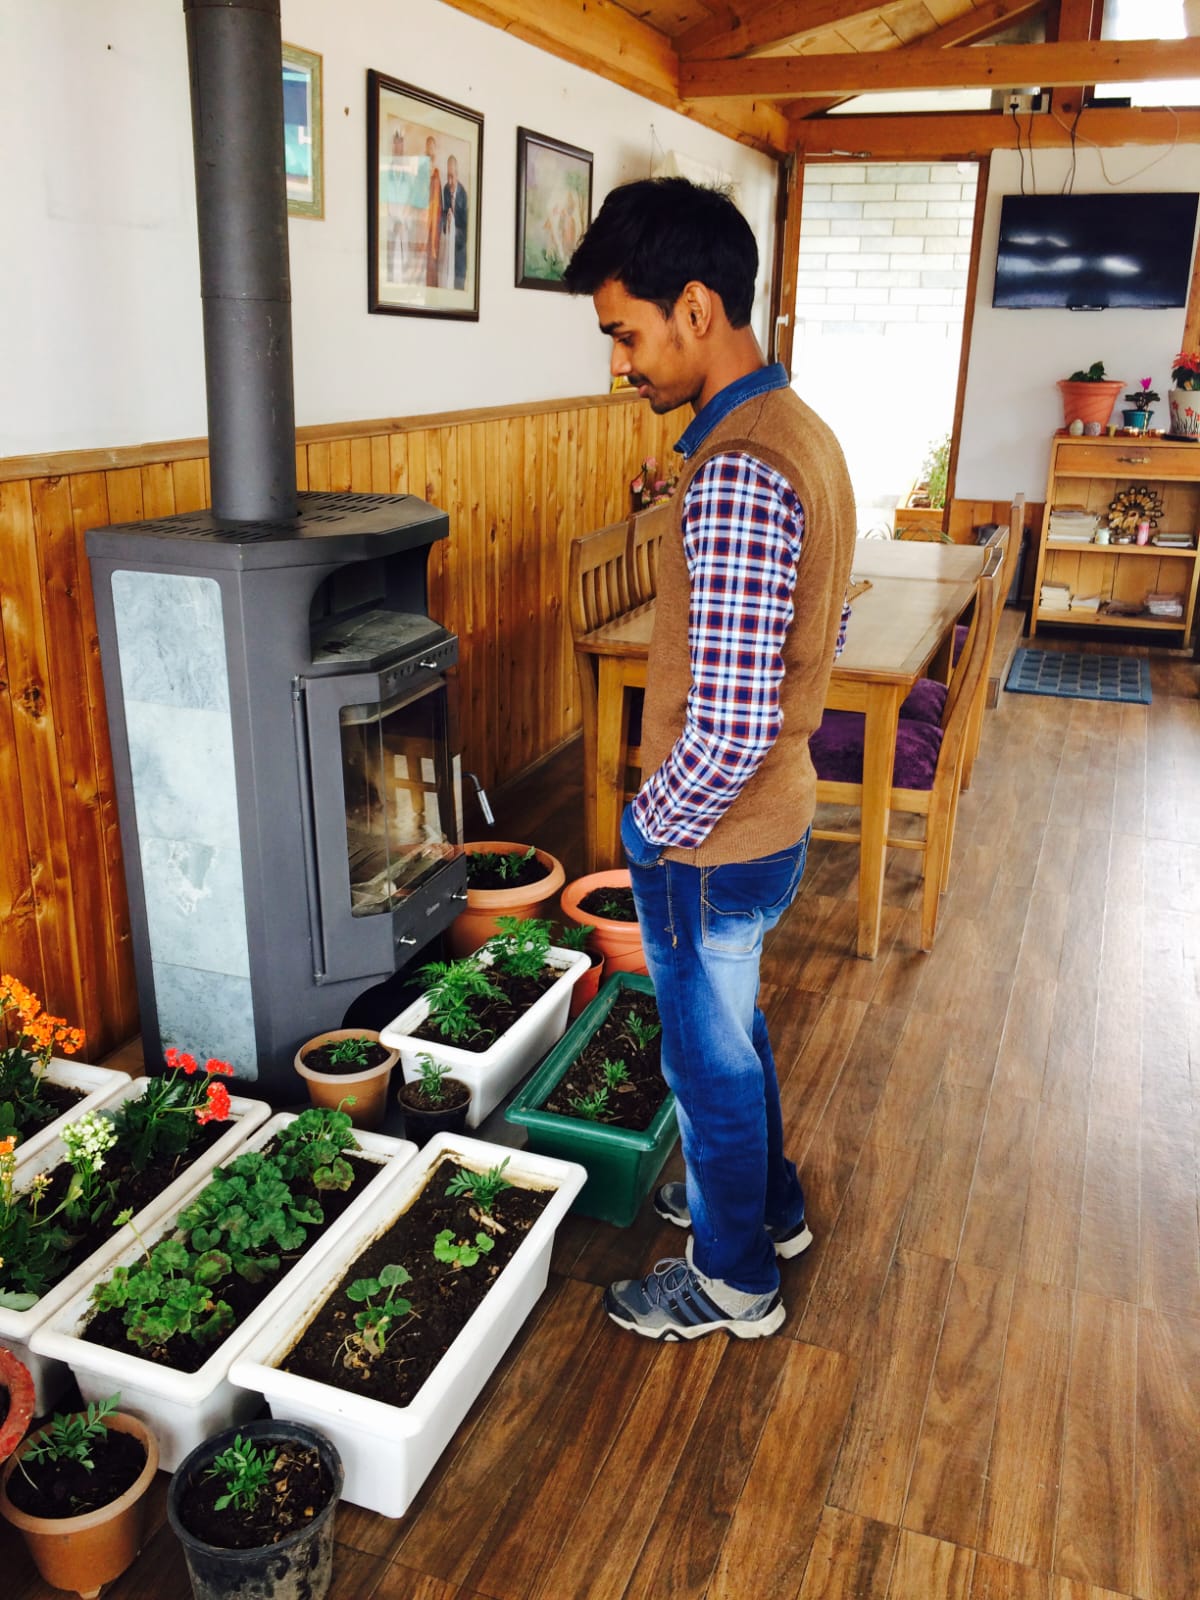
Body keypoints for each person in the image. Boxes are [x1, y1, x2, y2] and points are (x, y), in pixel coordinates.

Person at [562, 177, 856, 1341]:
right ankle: (768, 1207)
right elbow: (820, 633)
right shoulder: (804, 432)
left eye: (627, 334)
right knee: (736, 1037)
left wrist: (648, 827)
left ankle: (734, 1279)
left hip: (712, 835)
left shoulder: (739, 466)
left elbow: (728, 724)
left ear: (696, 307)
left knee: (704, 1068)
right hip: (773, 817)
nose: (623, 362)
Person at [441, 154, 469, 290]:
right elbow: (443, 214)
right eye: (448, 176)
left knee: (458, 287)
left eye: (452, 176)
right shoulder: (446, 190)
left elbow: (467, 232)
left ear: (457, 175)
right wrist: (447, 222)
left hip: (459, 250)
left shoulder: (464, 196)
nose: (450, 181)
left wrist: (454, 227)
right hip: (448, 247)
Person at [424, 136, 442, 288]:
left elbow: (438, 200)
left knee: (432, 253)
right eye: (428, 145)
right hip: (423, 218)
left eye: (432, 145)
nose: (430, 148)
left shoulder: (437, 172)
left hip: (433, 220)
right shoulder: (421, 169)